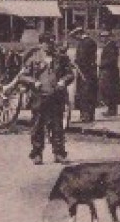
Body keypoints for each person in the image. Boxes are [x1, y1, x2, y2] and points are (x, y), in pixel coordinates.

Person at [14, 33, 76, 165]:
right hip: (39, 97)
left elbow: (70, 74)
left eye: (51, 43)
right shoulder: (33, 58)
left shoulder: (61, 58)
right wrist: (33, 82)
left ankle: (59, 153)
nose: (49, 46)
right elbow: (23, 76)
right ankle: (37, 154)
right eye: (46, 43)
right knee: (38, 127)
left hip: (56, 97)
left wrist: (63, 81)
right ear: (41, 44)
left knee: (57, 126)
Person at [71, 28, 99, 123]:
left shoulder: (85, 43)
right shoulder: (90, 41)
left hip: (85, 72)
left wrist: (76, 62)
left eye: (75, 36)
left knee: (85, 93)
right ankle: (89, 115)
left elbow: (83, 58)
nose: (75, 39)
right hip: (89, 72)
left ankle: (86, 116)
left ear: (79, 34)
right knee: (89, 93)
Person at [98, 31, 120, 117]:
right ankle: (111, 109)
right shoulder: (110, 45)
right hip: (110, 71)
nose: (102, 39)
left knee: (110, 90)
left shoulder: (111, 46)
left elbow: (111, 59)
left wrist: (101, 64)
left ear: (108, 37)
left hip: (110, 72)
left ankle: (112, 110)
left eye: (103, 37)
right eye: (101, 37)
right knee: (109, 90)